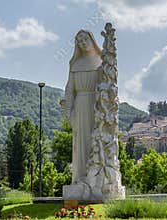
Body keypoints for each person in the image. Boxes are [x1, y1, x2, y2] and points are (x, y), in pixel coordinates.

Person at [64, 30, 102, 183]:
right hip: (80, 106)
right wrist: (69, 111)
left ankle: (97, 177)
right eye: (79, 41)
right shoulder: (75, 64)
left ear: (92, 40)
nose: (83, 43)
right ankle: (81, 177)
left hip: (97, 106)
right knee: (80, 142)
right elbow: (69, 89)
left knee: (96, 141)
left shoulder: (101, 61)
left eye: (85, 39)